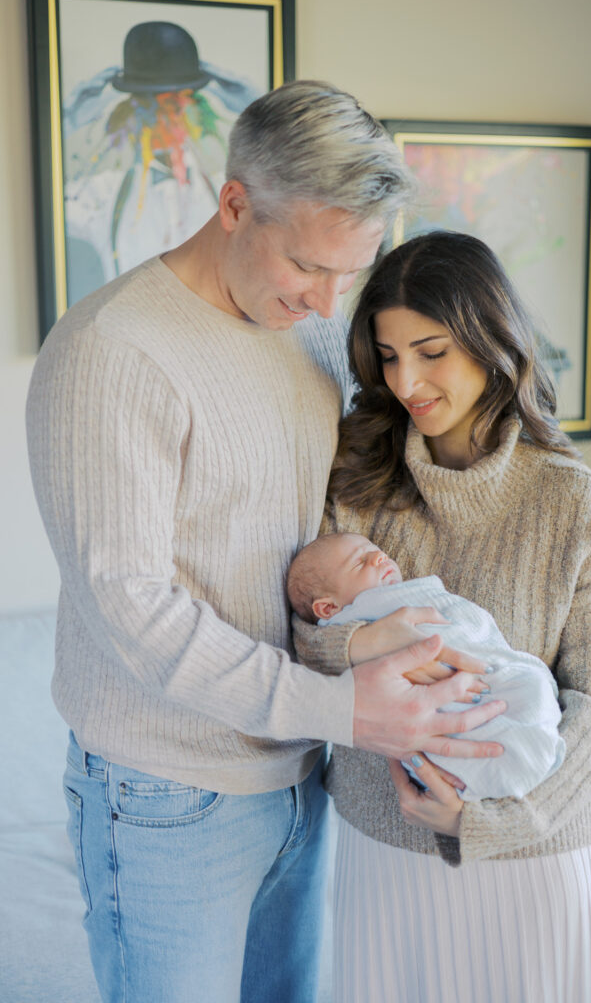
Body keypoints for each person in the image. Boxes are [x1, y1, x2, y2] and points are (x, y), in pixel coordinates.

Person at [25, 83, 510, 1003]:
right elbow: (130, 605)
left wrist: (563, 508)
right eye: (305, 265)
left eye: (349, 273)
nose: (329, 302)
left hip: (299, 772)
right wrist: (343, 711)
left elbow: (401, 479)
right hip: (166, 794)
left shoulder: (313, 336)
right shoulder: (112, 351)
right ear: (234, 204)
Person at [293, 230, 591, 1003]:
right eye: (386, 355)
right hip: (382, 839)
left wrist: (503, 819)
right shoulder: (354, 479)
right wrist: (366, 640)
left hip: (530, 850)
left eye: (430, 349)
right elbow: (301, 636)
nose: (406, 379)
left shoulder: (572, 499)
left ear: (489, 339)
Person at [287, 531, 566, 801]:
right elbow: (306, 644)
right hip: (403, 768)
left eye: (376, 550)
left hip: (487, 685)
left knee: (526, 689)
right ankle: (522, 756)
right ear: (328, 610)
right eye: (360, 561)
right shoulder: (349, 616)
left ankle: (529, 748)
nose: (379, 557)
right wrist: (359, 642)